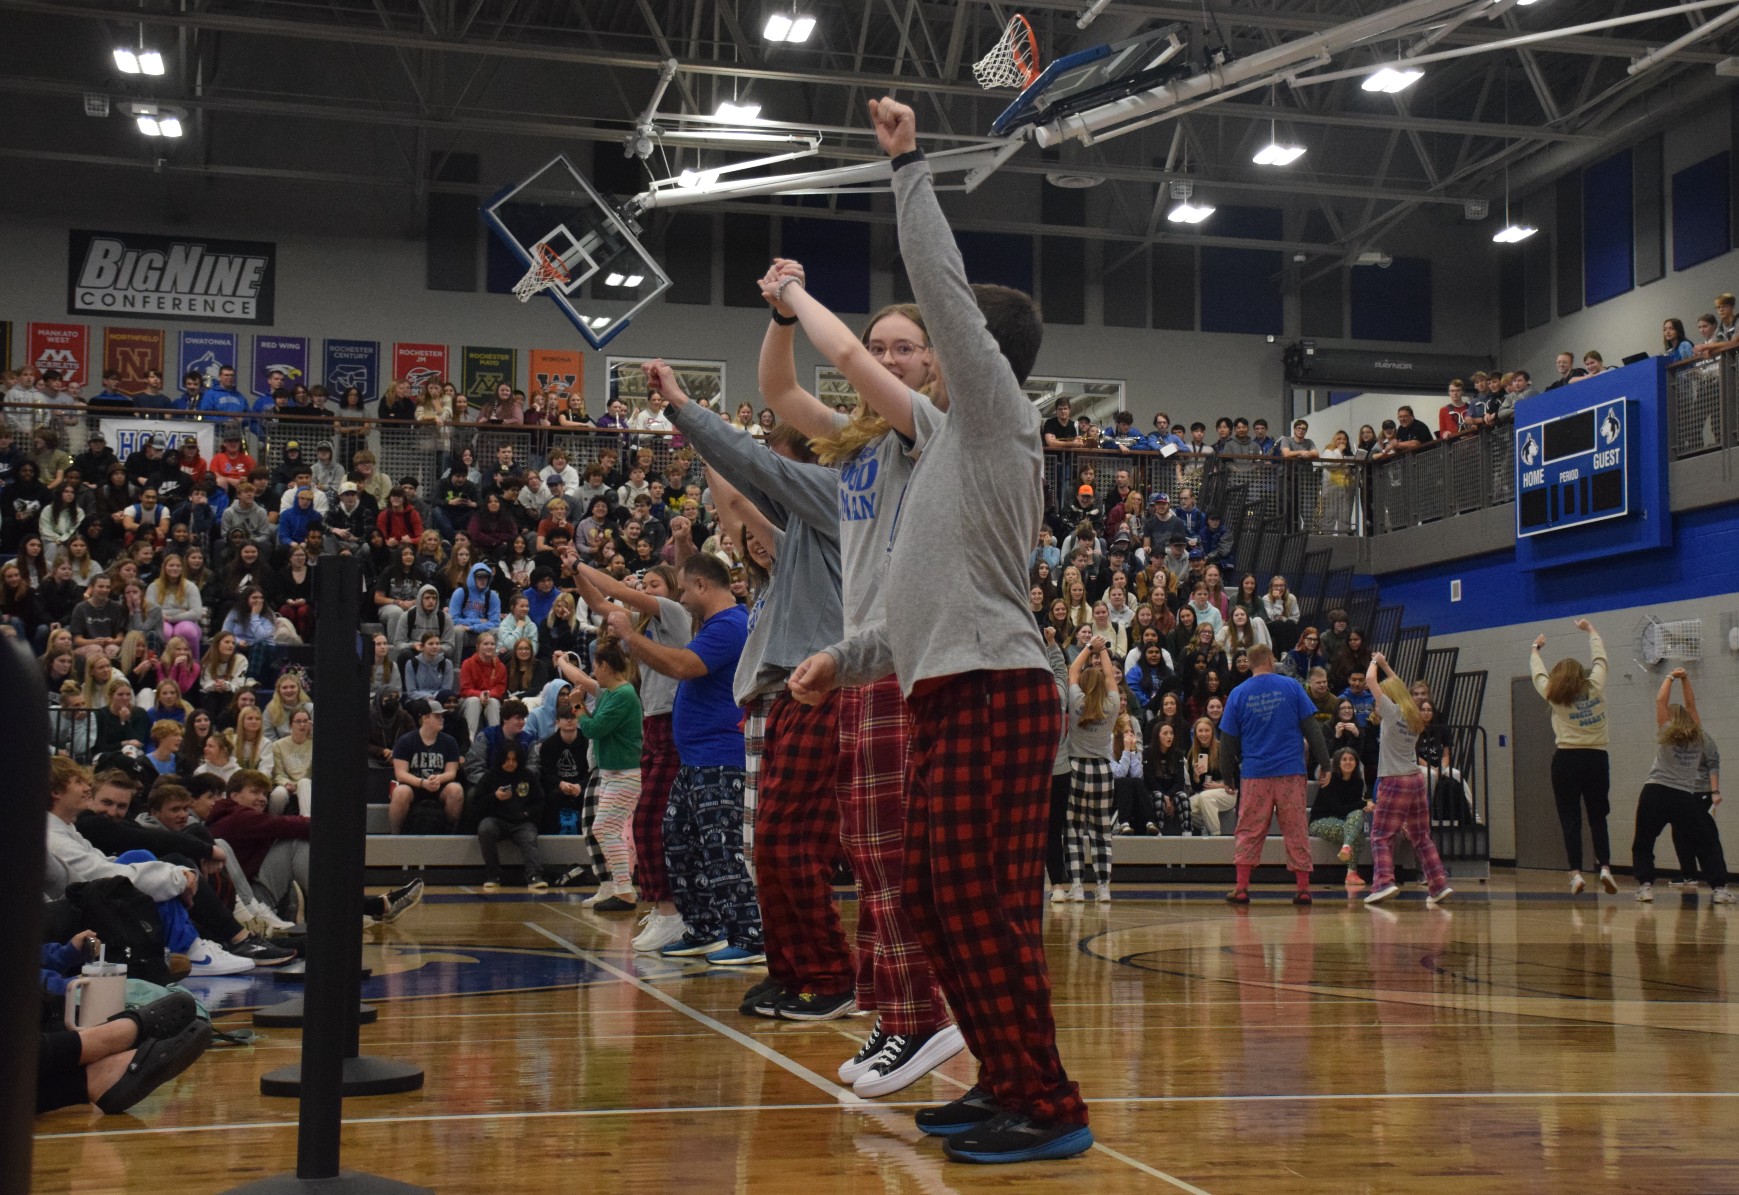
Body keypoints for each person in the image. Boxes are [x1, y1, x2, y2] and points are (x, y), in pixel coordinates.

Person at [785, 97, 1087, 1163]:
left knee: (969, 897)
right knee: (931, 895)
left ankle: (1043, 1102)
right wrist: (847, 653)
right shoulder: (939, 448)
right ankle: (1004, 1078)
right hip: (946, 683)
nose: (917, 353)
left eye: (939, 339)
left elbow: (945, 290)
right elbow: (920, 599)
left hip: (995, 689)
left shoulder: (999, 421)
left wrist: (905, 166)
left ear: (979, 353)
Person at [604, 553, 763, 963]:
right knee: (678, 840)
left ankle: (748, 935)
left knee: (720, 846)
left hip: (719, 756)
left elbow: (682, 666)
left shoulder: (729, 625)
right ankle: (704, 927)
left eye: (685, 588)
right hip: (696, 758)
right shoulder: (714, 624)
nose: (682, 598)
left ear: (701, 586)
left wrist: (630, 637)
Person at [1220, 643, 1332, 905]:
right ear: (1271, 659)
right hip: (1290, 772)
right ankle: (1303, 889)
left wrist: (1228, 777)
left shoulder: (1238, 694)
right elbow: (1312, 730)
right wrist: (1326, 764)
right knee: (1296, 829)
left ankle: (1242, 887)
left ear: (1248, 663)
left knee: (1248, 829)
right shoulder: (1292, 687)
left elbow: (1227, 741)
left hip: (1255, 774)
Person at [1530, 619, 1618, 896]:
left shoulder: (1553, 696)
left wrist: (1535, 649)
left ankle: (1576, 874)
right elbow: (1600, 658)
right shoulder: (1595, 688)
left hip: (1566, 760)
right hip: (1596, 759)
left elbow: (1537, 675)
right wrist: (1591, 631)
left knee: (1571, 819)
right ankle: (1604, 866)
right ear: (1581, 674)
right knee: (1598, 816)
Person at [1362, 653, 1453, 906]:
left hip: (1395, 780)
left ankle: (1383, 883)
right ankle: (1438, 884)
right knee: (1421, 835)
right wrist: (1385, 664)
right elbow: (1398, 683)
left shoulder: (1390, 711)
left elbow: (1370, 679)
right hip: (1416, 780)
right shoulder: (1413, 713)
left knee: (1380, 835)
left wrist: (1373, 662)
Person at [1633, 670, 1732, 903]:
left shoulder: (1666, 731)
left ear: (1670, 718)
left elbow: (1660, 700)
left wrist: (1669, 677)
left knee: (1644, 841)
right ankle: (1718, 888)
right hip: (1683, 798)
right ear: (1689, 718)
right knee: (1705, 843)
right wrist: (1686, 679)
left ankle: (1646, 886)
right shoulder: (1698, 736)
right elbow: (1691, 704)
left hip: (1655, 792)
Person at [568, 640, 643, 908]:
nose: (593, 672)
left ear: (606, 666)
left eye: (595, 666)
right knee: (604, 828)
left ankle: (624, 889)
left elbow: (594, 729)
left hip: (625, 773)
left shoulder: (623, 695)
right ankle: (622, 887)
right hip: (614, 772)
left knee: (604, 828)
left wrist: (577, 707)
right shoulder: (612, 692)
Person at [1064, 635, 1122, 903]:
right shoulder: (1112, 704)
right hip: (1102, 771)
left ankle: (1076, 886)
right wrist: (1103, 651)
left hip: (1075, 768)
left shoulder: (1076, 702)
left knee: (1074, 829)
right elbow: (1110, 676)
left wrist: (1088, 648)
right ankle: (1104, 886)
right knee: (1101, 831)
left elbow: (1073, 670)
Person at [469, 740, 546, 892]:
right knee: (485, 829)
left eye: (514, 760)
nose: (510, 763)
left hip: (522, 822)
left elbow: (540, 801)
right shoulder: (490, 777)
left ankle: (534, 876)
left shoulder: (528, 776)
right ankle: (493, 875)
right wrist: (494, 797)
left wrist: (528, 813)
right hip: (496, 820)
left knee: (529, 838)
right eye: (507, 759)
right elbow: (476, 806)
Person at [389, 698, 464, 832]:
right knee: (400, 791)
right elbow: (400, 774)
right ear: (425, 718)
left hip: (439, 787)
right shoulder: (405, 741)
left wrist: (438, 779)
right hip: (414, 787)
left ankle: (451, 834)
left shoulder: (450, 742)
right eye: (437, 716)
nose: (442, 719)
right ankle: (396, 835)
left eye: (442, 716)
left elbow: (452, 773)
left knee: (455, 789)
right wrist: (422, 782)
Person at [1311, 747, 1371, 891]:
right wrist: (1364, 804)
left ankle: (1346, 847)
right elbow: (1337, 808)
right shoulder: (1330, 780)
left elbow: (1352, 811)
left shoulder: (1358, 783)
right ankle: (1351, 873)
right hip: (1321, 821)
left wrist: (1361, 807)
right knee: (1359, 834)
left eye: (1351, 759)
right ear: (1337, 763)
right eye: (1344, 759)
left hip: (1345, 821)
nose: (1348, 762)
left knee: (1358, 814)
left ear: (1356, 763)